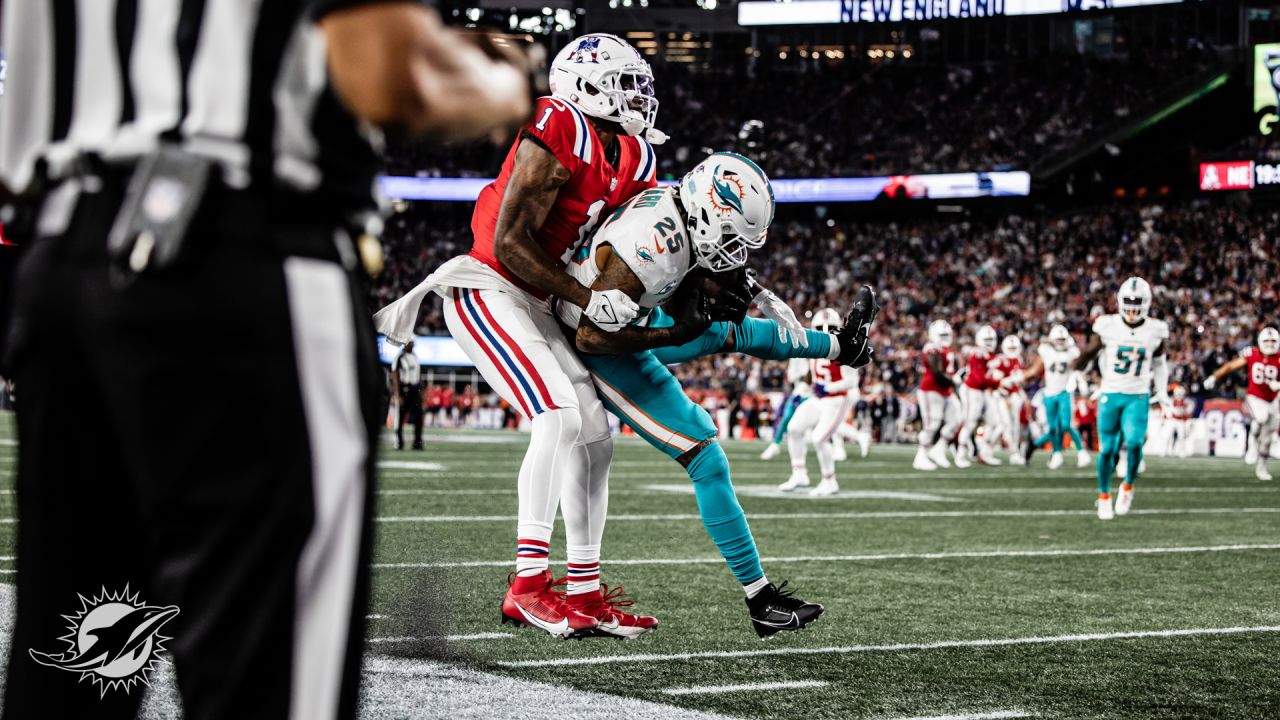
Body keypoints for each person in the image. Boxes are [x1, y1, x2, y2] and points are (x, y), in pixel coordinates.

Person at [0, 2, 532, 718]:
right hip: (237, 257)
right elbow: (389, 79)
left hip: (63, 261)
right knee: (272, 690)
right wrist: (505, 81)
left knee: (78, 670)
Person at [375, 33, 662, 639]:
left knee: (595, 433)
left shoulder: (635, 156)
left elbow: (621, 246)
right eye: (623, 83)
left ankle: (584, 592)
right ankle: (527, 587)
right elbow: (509, 241)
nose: (637, 95)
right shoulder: (561, 125)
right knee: (556, 415)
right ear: (583, 86)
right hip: (488, 285)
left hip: (540, 298)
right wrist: (589, 298)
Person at [554, 153, 876, 637]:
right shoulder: (654, 246)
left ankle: (840, 346)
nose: (736, 253)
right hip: (602, 341)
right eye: (731, 239)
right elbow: (592, 337)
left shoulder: (682, 215)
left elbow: (708, 274)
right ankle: (760, 600)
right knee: (705, 455)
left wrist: (729, 293)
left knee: (732, 326)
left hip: (631, 317)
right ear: (708, 213)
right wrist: (676, 330)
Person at [1073, 277, 1171, 520]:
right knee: (1107, 450)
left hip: (1137, 395)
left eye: (1137, 301)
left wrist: (1162, 390)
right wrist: (1076, 373)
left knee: (1136, 442)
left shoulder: (1155, 330)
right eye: (1128, 301)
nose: (1132, 306)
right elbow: (1089, 353)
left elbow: (1160, 364)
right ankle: (1104, 496)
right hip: (1111, 393)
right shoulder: (1107, 325)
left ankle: (1127, 486)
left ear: (1147, 303)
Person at [778, 309, 864, 496]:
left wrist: (828, 388)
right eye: (820, 327)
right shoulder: (812, 343)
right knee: (794, 428)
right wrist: (805, 389)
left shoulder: (846, 346)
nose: (825, 331)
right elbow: (813, 371)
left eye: (830, 327)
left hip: (837, 399)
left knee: (819, 437)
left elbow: (851, 381)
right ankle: (799, 473)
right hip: (818, 398)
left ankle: (829, 480)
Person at [1204, 327, 1280, 481]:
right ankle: (1252, 443)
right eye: (1267, 340)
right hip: (1254, 397)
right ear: (1260, 342)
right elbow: (1231, 366)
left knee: (1267, 439)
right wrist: (1214, 376)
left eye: (1273, 341)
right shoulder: (1252, 354)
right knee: (1261, 417)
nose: (1270, 344)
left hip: (1272, 400)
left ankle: (1261, 468)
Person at [1024, 324, 1091, 469]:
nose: (1060, 342)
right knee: (1053, 428)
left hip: (1064, 392)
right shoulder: (1046, 351)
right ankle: (1056, 454)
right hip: (1049, 393)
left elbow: (1080, 362)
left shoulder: (1071, 351)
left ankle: (1082, 452)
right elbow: (1036, 367)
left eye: (1062, 339)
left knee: (1066, 425)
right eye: (1058, 340)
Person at [915, 320, 963, 471]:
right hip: (931, 389)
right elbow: (937, 373)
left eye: (947, 334)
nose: (945, 337)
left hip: (945, 390)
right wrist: (953, 379)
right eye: (942, 334)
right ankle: (921, 456)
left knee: (956, 420)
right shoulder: (931, 348)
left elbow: (950, 371)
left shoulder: (949, 350)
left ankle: (939, 450)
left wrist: (958, 376)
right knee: (932, 424)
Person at [956, 324, 1001, 468]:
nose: (989, 342)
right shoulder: (977, 353)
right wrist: (998, 381)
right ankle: (960, 454)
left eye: (991, 339)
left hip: (982, 391)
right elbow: (979, 379)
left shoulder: (991, 355)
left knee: (994, 422)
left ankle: (984, 452)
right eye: (986, 339)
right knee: (970, 422)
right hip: (972, 390)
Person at [391, 340, 424, 450]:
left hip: (415, 389)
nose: (413, 345)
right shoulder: (399, 357)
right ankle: (399, 442)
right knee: (400, 417)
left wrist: (421, 390)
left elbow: (418, 373)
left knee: (419, 416)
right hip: (404, 388)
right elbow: (395, 375)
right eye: (411, 343)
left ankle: (417, 442)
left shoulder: (415, 356)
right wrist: (398, 394)